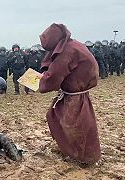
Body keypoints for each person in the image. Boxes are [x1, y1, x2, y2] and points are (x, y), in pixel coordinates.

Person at [38, 23, 101, 165]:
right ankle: (70, 149)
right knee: (56, 116)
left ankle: (83, 156)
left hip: (76, 96)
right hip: (75, 93)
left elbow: (54, 76)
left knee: (73, 125)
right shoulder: (73, 44)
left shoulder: (68, 51)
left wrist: (40, 81)